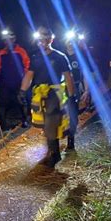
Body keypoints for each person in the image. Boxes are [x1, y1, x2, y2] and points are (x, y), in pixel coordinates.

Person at [18, 27, 77, 168]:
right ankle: (52, 149)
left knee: (51, 122)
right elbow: (29, 75)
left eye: (45, 37)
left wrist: (71, 96)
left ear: (51, 39)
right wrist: (21, 91)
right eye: (40, 37)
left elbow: (68, 77)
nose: (42, 40)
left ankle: (55, 154)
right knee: (44, 124)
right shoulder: (35, 57)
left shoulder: (60, 57)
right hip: (39, 95)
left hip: (54, 94)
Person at [0, 29, 30, 129]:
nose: (7, 42)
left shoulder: (21, 51)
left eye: (9, 39)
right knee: (3, 103)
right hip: (5, 83)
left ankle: (24, 120)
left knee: (21, 101)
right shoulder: (1, 53)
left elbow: (27, 65)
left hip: (19, 81)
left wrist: (25, 79)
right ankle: (3, 125)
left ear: (14, 39)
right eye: (5, 40)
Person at [64, 33, 92, 149]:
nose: (70, 44)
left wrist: (86, 90)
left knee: (73, 115)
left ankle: (71, 139)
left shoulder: (80, 56)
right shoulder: (61, 56)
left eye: (72, 41)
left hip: (75, 88)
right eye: (68, 41)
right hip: (61, 88)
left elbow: (85, 74)